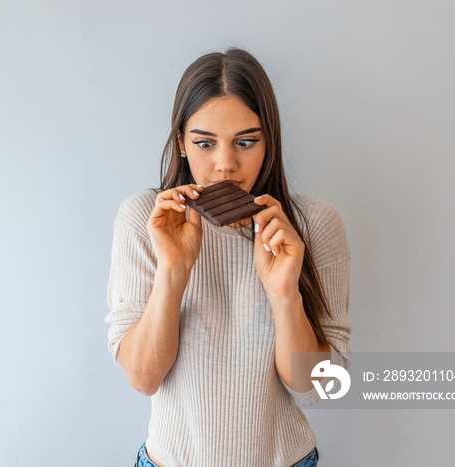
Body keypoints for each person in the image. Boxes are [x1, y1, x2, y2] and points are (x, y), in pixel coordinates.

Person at [105, 47, 351, 467]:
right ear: (181, 142)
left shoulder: (314, 225)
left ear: (268, 140)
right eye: (204, 142)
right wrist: (174, 269)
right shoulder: (146, 220)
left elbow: (320, 389)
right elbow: (143, 378)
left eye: (246, 141)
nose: (225, 165)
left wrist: (284, 292)